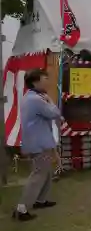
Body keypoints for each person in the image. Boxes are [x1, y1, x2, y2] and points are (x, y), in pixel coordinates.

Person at [13, 69, 62, 221]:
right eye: (44, 78)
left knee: (46, 172)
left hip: (39, 141)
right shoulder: (36, 99)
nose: (47, 81)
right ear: (35, 82)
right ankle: (21, 208)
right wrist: (50, 101)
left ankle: (40, 200)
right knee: (38, 174)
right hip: (38, 143)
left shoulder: (31, 97)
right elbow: (55, 113)